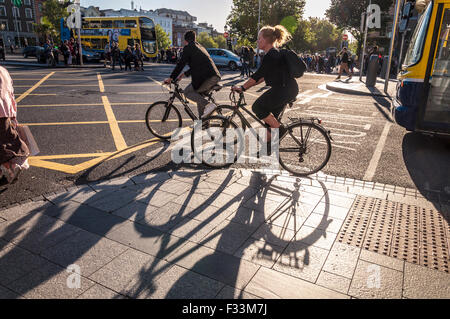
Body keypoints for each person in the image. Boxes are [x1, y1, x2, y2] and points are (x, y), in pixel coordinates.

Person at [231, 25, 298, 144]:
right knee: (270, 122)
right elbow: (263, 76)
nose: (257, 41)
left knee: (257, 107)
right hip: (287, 89)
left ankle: (281, 130)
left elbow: (258, 75)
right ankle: (268, 146)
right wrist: (247, 86)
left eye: (259, 38)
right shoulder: (273, 54)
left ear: (266, 40)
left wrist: (242, 87)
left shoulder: (271, 55)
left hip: (284, 90)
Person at [164, 30, 221, 119]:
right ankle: (202, 123)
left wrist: (171, 78)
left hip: (208, 78)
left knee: (187, 92)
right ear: (194, 38)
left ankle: (209, 105)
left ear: (185, 40)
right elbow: (198, 65)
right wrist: (184, 74)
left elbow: (180, 64)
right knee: (199, 97)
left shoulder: (188, 48)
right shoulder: (199, 46)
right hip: (214, 75)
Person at [0, 66, 29, 184]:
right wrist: (13, 114)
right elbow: (10, 92)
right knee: (8, 139)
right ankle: (14, 166)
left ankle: (3, 172)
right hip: (4, 111)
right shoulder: (3, 70)